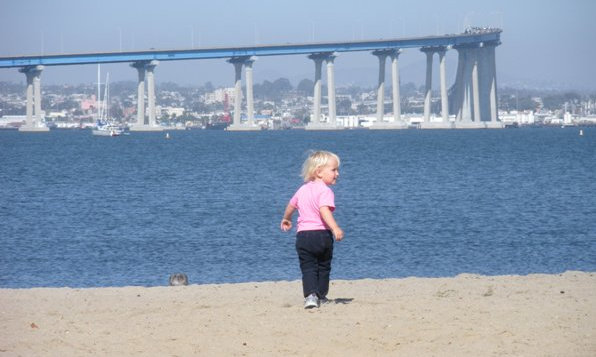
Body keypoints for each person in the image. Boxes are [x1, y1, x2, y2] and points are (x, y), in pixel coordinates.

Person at [280, 150, 344, 309]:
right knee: (323, 266)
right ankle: (321, 295)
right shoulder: (325, 190)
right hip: (321, 234)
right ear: (319, 172)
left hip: (303, 236)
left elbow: (291, 205)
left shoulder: (302, 189)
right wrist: (335, 227)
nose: (337, 173)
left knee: (307, 267)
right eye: (334, 170)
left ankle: (310, 296)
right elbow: (324, 210)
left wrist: (286, 218)